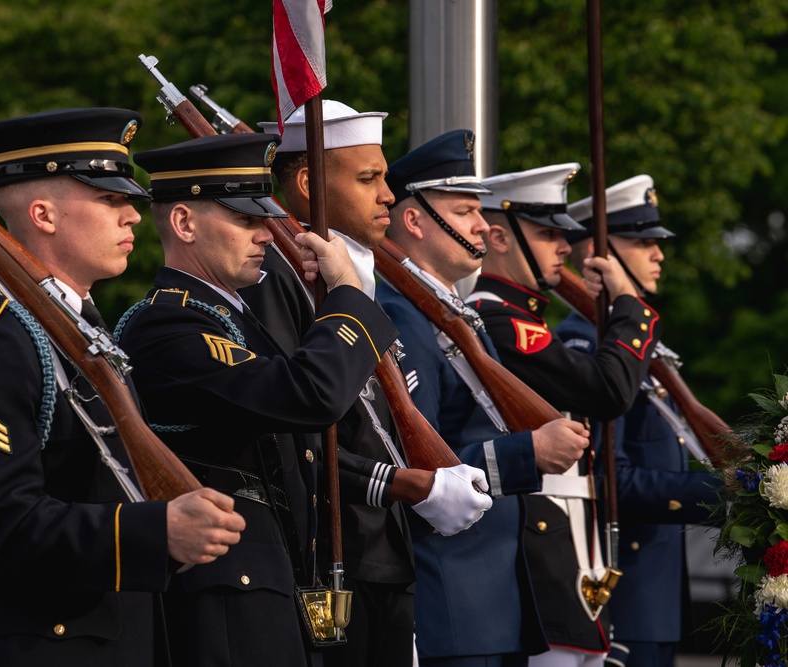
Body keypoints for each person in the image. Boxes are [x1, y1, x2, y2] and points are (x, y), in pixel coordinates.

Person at [0, 108, 246, 666]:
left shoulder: (85, 335)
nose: (133, 218)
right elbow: (3, 529)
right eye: (110, 200)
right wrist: (155, 530)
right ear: (43, 214)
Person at [117, 132, 409, 667]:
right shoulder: (169, 324)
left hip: (275, 589)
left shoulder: (237, 319)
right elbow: (311, 395)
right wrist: (347, 295)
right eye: (246, 220)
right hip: (227, 607)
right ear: (184, 223)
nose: (265, 237)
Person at [249, 101, 493, 667]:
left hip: (383, 555)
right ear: (308, 183)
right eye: (369, 178)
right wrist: (403, 484)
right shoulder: (278, 281)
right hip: (334, 558)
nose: (388, 194)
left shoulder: (362, 277)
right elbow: (297, 426)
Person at [377, 130, 591, 666]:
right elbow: (415, 461)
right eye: (466, 210)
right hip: (454, 600)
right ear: (414, 219)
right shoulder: (402, 314)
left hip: (489, 599)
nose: (481, 224)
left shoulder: (446, 309)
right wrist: (529, 453)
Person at [468, 164, 662, 667]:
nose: (564, 247)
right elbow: (608, 390)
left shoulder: (527, 319)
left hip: (572, 554)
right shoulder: (498, 321)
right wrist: (628, 305)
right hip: (541, 557)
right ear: (499, 238)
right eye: (548, 233)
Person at [557, 175, 717, 667]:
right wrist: (722, 491)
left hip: (653, 595)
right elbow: (609, 478)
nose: (659, 255)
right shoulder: (587, 343)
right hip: (619, 591)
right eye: (642, 242)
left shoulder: (634, 342)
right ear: (596, 254)